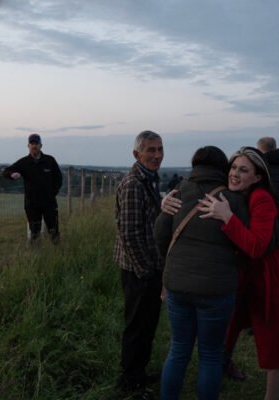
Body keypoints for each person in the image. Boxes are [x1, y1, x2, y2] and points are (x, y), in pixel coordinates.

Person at [198, 147, 279, 400]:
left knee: (277, 344)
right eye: (233, 168)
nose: (235, 174)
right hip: (258, 274)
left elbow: (257, 246)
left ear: (258, 177)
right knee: (275, 340)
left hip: (275, 275)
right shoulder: (238, 193)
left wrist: (228, 217)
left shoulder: (261, 198)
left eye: (243, 170)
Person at [155, 146, 249, 400]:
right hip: (217, 288)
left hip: (177, 283)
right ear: (222, 168)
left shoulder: (178, 192)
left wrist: (174, 260)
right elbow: (245, 244)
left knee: (178, 349)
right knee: (210, 355)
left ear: (195, 165)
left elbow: (160, 234)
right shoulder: (233, 200)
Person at [114, 130, 164, 399]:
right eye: (150, 150)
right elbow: (130, 233)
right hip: (137, 269)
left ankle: (139, 373)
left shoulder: (149, 179)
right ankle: (130, 382)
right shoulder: (134, 184)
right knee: (136, 325)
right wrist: (145, 271)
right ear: (137, 154)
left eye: (160, 149)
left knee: (147, 323)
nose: (157, 155)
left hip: (148, 266)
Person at [3, 133, 62, 243]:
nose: (34, 146)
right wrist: (12, 175)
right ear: (28, 146)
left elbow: (58, 178)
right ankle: (35, 252)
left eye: (36, 143)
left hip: (49, 203)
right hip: (32, 204)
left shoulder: (49, 160)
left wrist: (52, 194)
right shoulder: (24, 162)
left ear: (41, 146)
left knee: (53, 230)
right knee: (34, 232)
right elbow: (6, 171)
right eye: (32, 144)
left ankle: (57, 250)